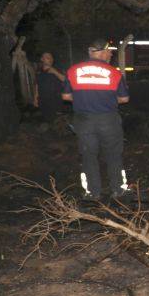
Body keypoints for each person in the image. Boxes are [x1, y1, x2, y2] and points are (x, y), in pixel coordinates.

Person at [62, 39, 131, 201]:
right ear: (101, 52)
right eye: (109, 51)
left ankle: (92, 193)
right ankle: (118, 189)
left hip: (84, 120)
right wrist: (107, 100)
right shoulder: (114, 73)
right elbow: (125, 99)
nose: (111, 53)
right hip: (108, 120)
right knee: (114, 154)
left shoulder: (73, 71)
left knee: (88, 156)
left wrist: (82, 99)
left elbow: (65, 96)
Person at [34, 52, 65, 121]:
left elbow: (64, 80)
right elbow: (37, 84)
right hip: (43, 100)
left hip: (55, 101)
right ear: (42, 59)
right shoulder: (39, 71)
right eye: (47, 57)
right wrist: (35, 98)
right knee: (46, 120)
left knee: (57, 121)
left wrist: (55, 72)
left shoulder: (57, 68)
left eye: (51, 58)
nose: (50, 59)